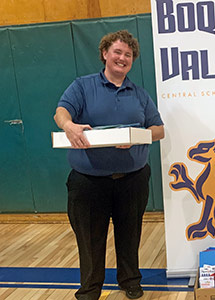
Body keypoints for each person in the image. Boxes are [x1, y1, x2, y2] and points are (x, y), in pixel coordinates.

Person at [54, 30, 164, 300]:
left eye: (128, 55)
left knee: (130, 234)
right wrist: (69, 126)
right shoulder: (82, 86)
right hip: (88, 182)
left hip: (133, 179)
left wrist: (137, 137)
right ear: (105, 54)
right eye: (117, 52)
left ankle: (130, 280)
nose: (122, 58)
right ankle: (90, 290)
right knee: (90, 240)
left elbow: (158, 129)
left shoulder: (139, 94)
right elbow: (61, 111)